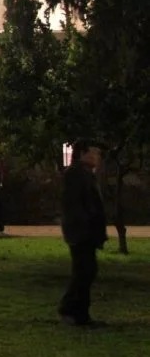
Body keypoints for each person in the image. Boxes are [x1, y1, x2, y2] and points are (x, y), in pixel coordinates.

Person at [58, 139, 107, 328]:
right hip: (81, 232)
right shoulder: (76, 174)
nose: (98, 157)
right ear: (83, 154)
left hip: (86, 231)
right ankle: (72, 310)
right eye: (94, 152)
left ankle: (79, 313)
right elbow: (74, 205)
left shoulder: (85, 174)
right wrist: (84, 227)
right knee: (84, 271)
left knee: (87, 271)